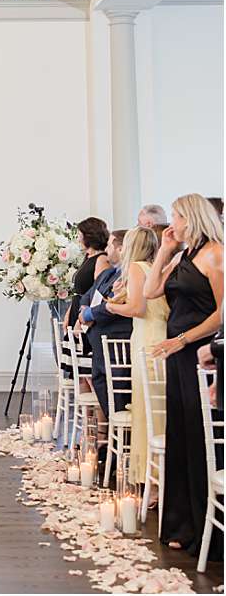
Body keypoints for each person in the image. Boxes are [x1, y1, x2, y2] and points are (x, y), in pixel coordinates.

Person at [143, 193, 223, 555]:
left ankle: (206, 530)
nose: (172, 221)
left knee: (197, 436)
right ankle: (182, 523)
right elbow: (150, 291)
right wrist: (164, 249)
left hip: (199, 354)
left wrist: (182, 340)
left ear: (191, 217)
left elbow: (222, 315)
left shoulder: (216, 254)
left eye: (176, 216)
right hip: (177, 354)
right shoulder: (182, 256)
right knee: (180, 435)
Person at [100, 225, 164, 488]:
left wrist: (110, 306)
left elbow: (137, 308)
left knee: (146, 411)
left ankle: (151, 478)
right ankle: (158, 476)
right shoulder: (155, 269)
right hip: (159, 336)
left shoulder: (137, 267)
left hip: (146, 340)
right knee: (159, 410)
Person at [75, 230, 129, 451]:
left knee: (117, 397)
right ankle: (109, 446)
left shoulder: (127, 274)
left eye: (110, 245)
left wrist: (90, 315)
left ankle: (117, 448)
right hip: (99, 344)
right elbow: (88, 294)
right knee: (101, 389)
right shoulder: (109, 273)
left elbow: (114, 305)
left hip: (115, 342)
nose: (106, 250)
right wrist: (84, 308)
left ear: (120, 248)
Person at [66, 217, 111, 330]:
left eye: (80, 236)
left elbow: (98, 293)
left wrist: (82, 319)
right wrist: (68, 313)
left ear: (89, 237)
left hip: (86, 311)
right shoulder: (88, 256)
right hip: (77, 307)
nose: (78, 239)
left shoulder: (101, 259)